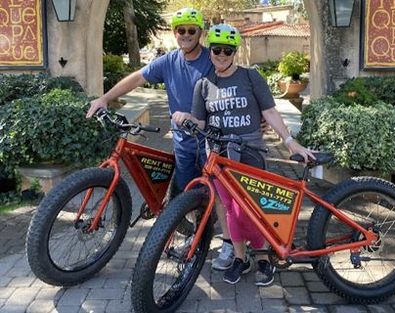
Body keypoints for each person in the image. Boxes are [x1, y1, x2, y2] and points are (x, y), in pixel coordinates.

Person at [86, 8, 235, 271]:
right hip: (183, 143)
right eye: (181, 30)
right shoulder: (168, 62)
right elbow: (137, 78)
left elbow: (234, 84)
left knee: (221, 195)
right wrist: (105, 99)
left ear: (200, 32)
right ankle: (196, 236)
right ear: (175, 33)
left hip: (212, 139)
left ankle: (229, 242)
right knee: (188, 194)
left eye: (191, 30)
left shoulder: (213, 59)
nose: (186, 35)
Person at [179, 24, 315, 286]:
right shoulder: (203, 85)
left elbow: (270, 112)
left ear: (234, 52)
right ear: (210, 51)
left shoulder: (251, 77)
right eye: (217, 49)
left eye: (227, 51)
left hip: (250, 153)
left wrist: (290, 142)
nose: (221, 55)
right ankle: (240, 258)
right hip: (218, 157)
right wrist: (183, 117)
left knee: (251, 209)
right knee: (230, 208)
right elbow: (201, 123)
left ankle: (263, 257)